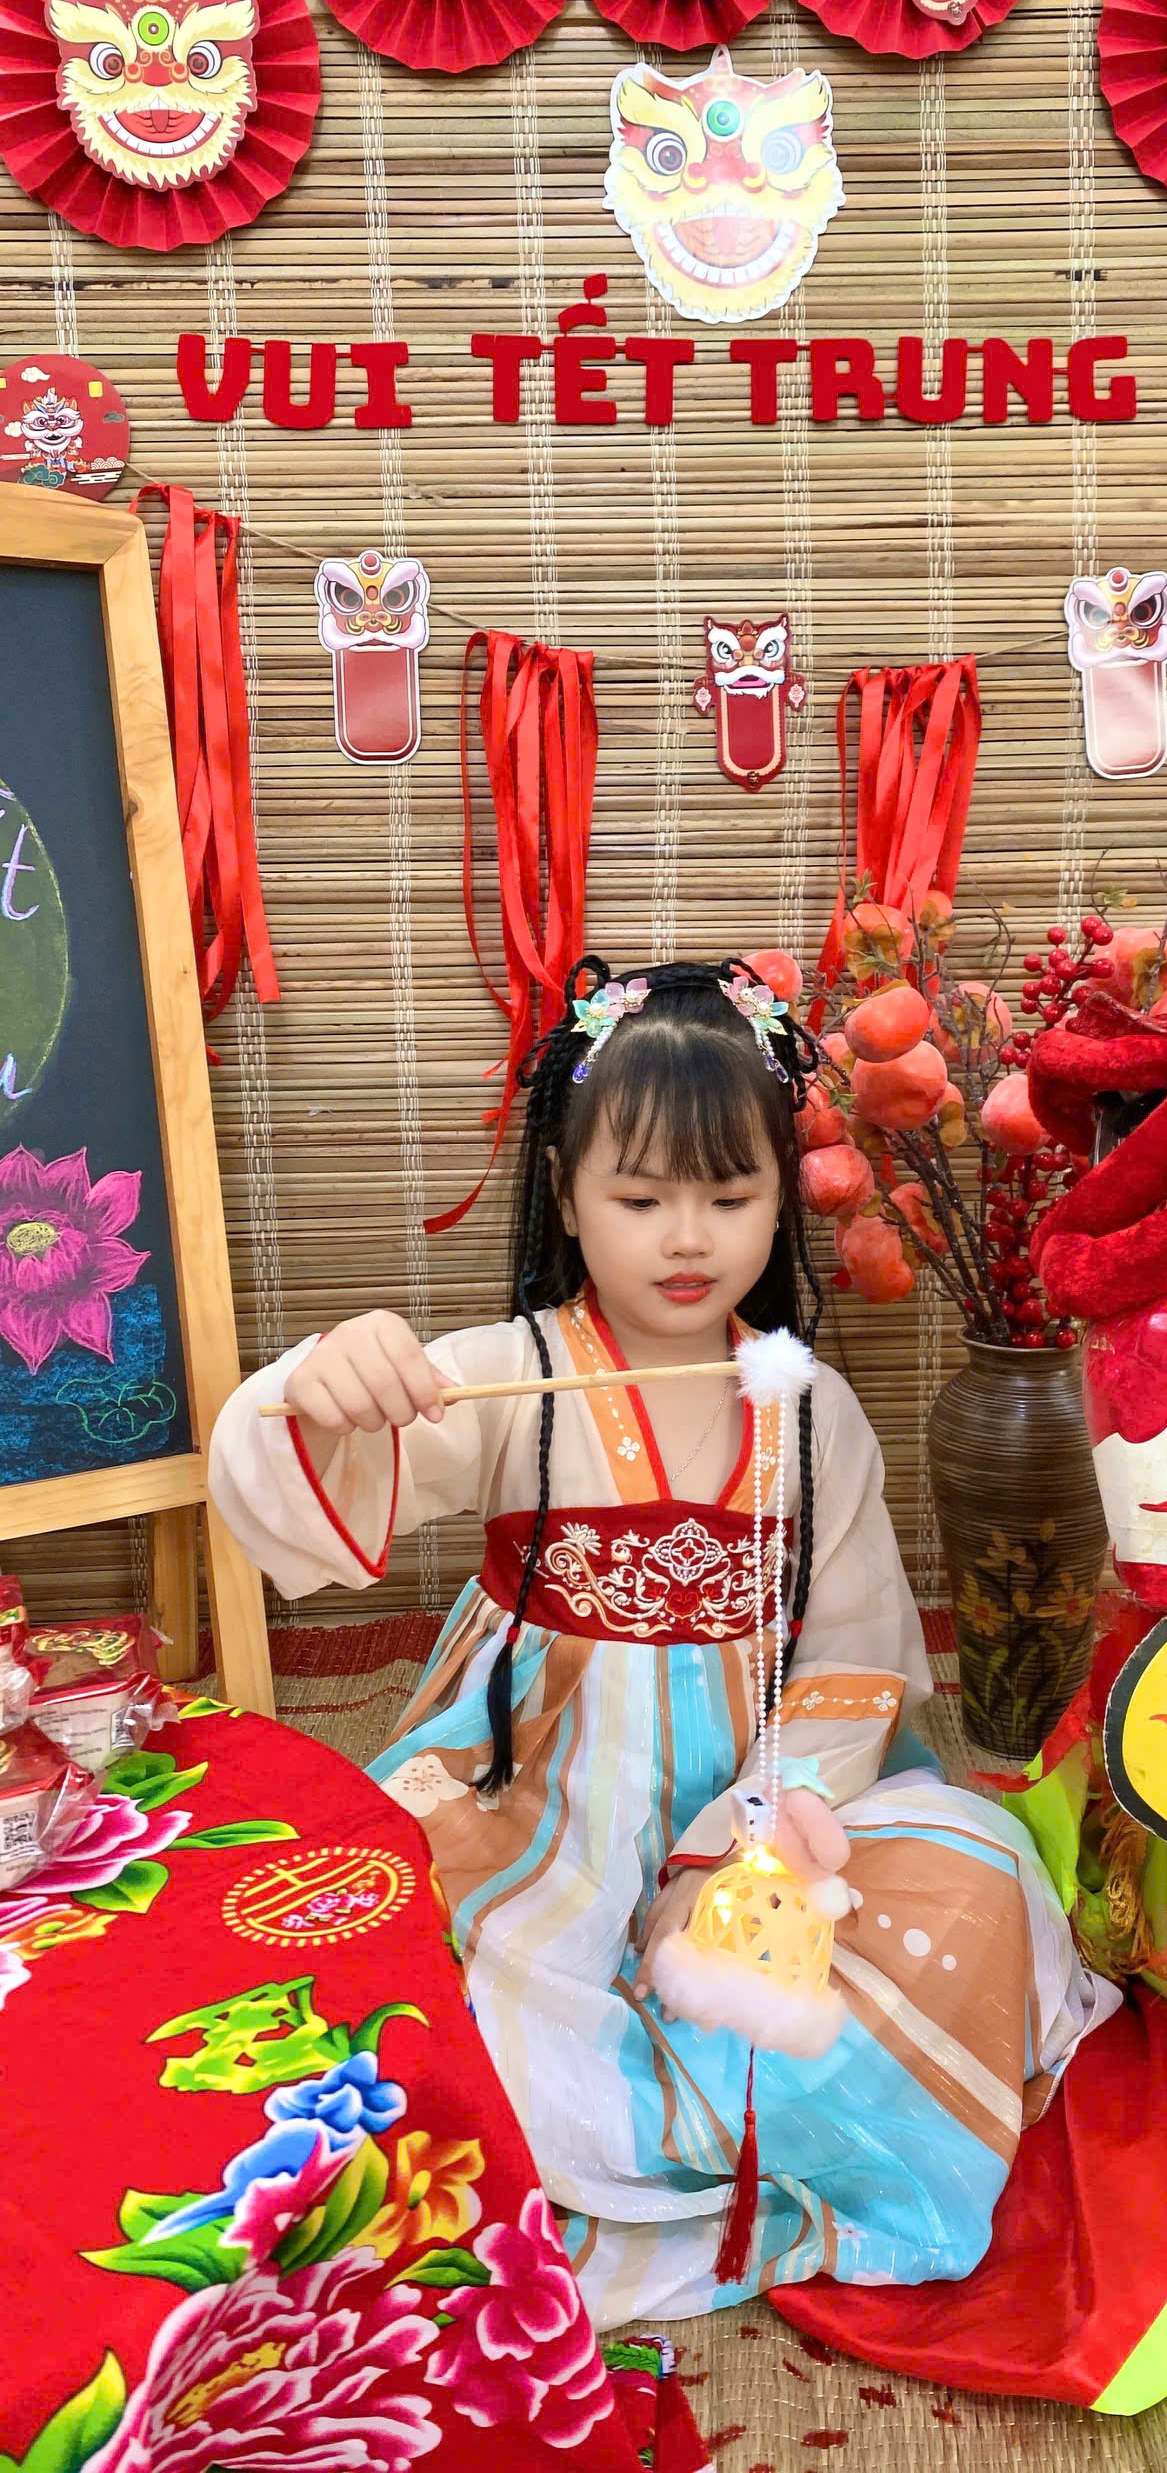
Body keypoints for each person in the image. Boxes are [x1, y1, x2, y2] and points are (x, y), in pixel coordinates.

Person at [209, 956, 1117, 2329]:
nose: (686, 1240)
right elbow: (295, 1478)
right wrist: (324, 1385)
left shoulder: (810, 1410)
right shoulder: (506, 1374)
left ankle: (734, 2122)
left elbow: (854, 1662)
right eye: (638, 1200)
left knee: (980, 1879)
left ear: (781, 1199)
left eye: (730, 1196)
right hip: (538, 1783)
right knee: (420, 1965)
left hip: (775, 1784)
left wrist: (742, 1852)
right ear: (565, 1191)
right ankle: (615, 2129)